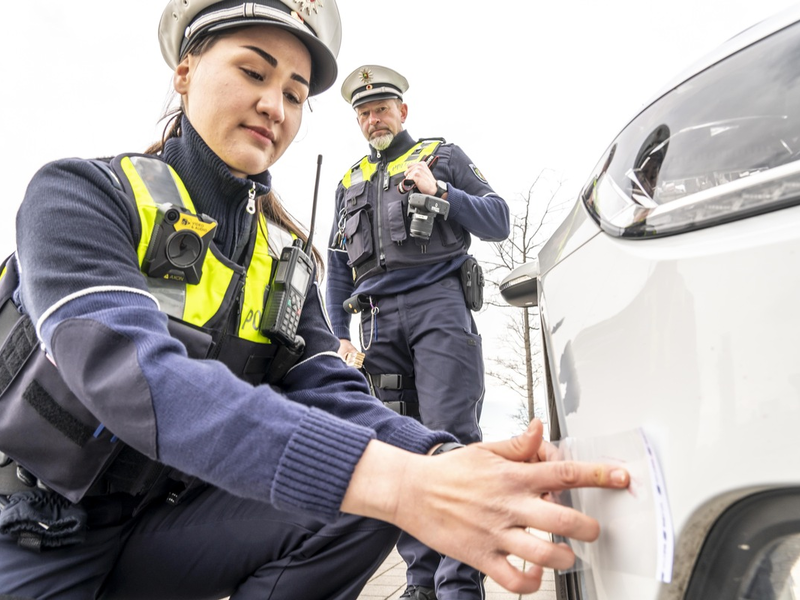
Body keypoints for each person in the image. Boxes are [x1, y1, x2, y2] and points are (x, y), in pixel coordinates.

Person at [0, 2, 629, 599]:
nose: (274, 105)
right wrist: (403, 481)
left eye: (297, 94)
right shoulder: (80, 194)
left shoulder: (281, 255)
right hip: (38, 523)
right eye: (252, 71)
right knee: (384, 483)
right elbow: (136, 378)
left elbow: (332, 389)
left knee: (366, 505)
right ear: (185, 74)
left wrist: (444, 459)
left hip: (165, 525)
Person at [327, 64, 510, 599]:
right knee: (401, 452)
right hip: (375, 320)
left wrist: (444, 191)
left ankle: (459, 587)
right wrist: (340, 334)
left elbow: (497, 219)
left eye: (381, 108)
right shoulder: (349, 181)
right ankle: (421, 584)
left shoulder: (440, 155)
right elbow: (338, 264)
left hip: (439, 308)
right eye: (363, 112)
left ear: (402, 111)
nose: (372, 118)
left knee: (451, 441)